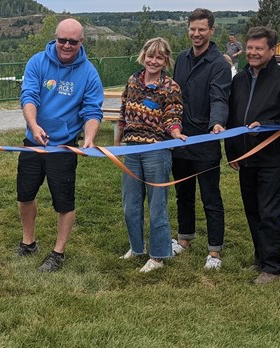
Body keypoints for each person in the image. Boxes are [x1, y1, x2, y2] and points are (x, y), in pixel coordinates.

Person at [16, 18, 103, 272]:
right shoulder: (37, 62)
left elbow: (92, 111)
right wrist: (33, 125)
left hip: (64, 147)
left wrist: (89, 137)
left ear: (81, 42)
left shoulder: (89, 73)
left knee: (64, 202)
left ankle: (58, 252)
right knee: (25, 195)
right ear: (55, 38)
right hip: (33, 142)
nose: (66, 45)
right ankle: (28, 242)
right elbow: (29, 95)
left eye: (72, 41)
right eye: (61, 40)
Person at [225, 27, 280, 284]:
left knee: (270, 212)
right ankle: (260, 257)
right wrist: (233, 152)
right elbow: (232, 119)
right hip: (246, 157)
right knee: (252, 210)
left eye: (259, 48)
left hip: (273, 159)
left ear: (272, 50)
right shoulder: (239, 80)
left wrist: (266, 125)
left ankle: (272, 267)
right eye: (250, 48)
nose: (253, 53)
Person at [115, 37, 186, 272]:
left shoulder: (171, 87)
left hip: (157, 151)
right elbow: (124, 113)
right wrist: (117, 143)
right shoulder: (133, 80)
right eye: (150, 55)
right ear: (143, 56)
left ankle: (157, 256)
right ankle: (136, 247)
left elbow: (172, 116)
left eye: (159, 57)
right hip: (132, 150)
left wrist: (175, 133)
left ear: (166, 60)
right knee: (130, 204)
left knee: (157, 205)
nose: (153, 61)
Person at [172, 8, 231, 270]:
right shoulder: (181, 59)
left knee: (210, 196)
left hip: (205, 140)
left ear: (211, 31)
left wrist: (217, 123)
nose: (197, 34)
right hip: (179, 139)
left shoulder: (219, 64)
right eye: (193, 29)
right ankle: (184, 239)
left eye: (202, 30)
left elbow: (219, 97)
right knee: (183, 193)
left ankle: (214, 252)